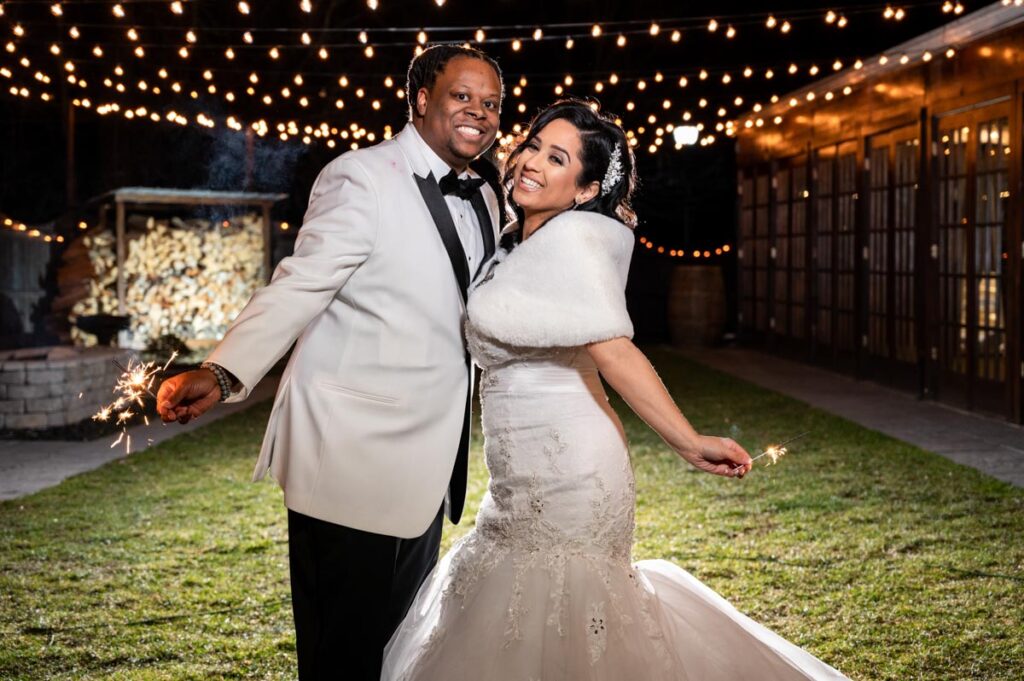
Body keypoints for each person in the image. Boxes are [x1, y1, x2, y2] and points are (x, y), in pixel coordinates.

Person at [381, 100, 850, 680]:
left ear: (584, 190)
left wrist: (687, 441)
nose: (531, 162)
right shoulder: (512, 243)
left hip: (572, 475)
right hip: (514, 480)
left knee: (571, 623)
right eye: (532, 146)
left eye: (557, 159)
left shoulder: (575, 242)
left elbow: (615, 350)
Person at [155, 44, 504, 680]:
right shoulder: (362, 176)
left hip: (430, 463)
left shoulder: (487, 194)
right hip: (349, 455)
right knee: (340, 655)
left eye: (490, 103)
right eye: (462, 96)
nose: (478, 112)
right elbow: (300, 283)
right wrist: (224, 370)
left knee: (396, 652)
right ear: (421, 99)